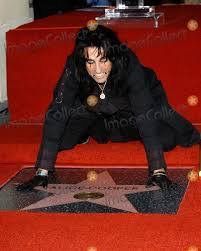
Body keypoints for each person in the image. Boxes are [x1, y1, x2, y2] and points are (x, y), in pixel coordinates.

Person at [16, 24, 200, 192]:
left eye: (103, 60)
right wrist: (42, 172)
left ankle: (123, 130)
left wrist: (158, 171)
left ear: (113, 56)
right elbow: (58, 110)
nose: (97, 70)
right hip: (93, 106)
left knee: (165, 140)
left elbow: (144, 113)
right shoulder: (74, 65)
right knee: (62, 142)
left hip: (134, 106)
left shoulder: (128, 64)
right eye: (90, 62)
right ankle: (92, 130)